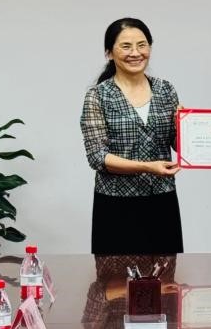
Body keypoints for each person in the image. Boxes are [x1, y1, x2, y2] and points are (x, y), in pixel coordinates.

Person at [80, 17, 183, 255]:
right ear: (109, 53)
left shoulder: (166, 90)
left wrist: (187, 127)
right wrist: (147, 167)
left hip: (163, 200)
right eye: (126, 46)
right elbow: (98, 157)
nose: (135, 53)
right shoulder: (98, 96)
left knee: (166, 274)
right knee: (114, 276)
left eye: (142, 45)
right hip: (115, 204)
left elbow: (178, 145)